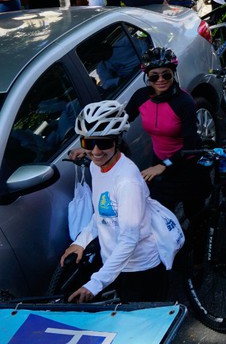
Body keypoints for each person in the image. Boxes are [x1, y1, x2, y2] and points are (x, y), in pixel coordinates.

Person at [60, 101, 167, 303]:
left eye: (105, 143)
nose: (97, 151)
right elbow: (102, 213)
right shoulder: (96, 167)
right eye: (89, 143)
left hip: (139, 269)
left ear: (117, 141)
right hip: (114, 264)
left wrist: (95, 283)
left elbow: (129, 239)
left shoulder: (127, 181)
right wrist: (81, 241)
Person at [125, 47, 209, 220]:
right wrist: (91, 144)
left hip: (186, 164)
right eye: (154, 76)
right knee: (161, 215)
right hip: (160, 161)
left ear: (173, 74)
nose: (161, 80)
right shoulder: (141, 97)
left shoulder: (184, 102)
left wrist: (164, 165)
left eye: (166, 75)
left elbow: (190, 146)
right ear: (147, 77)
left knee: (196, 215)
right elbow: (118, 123)